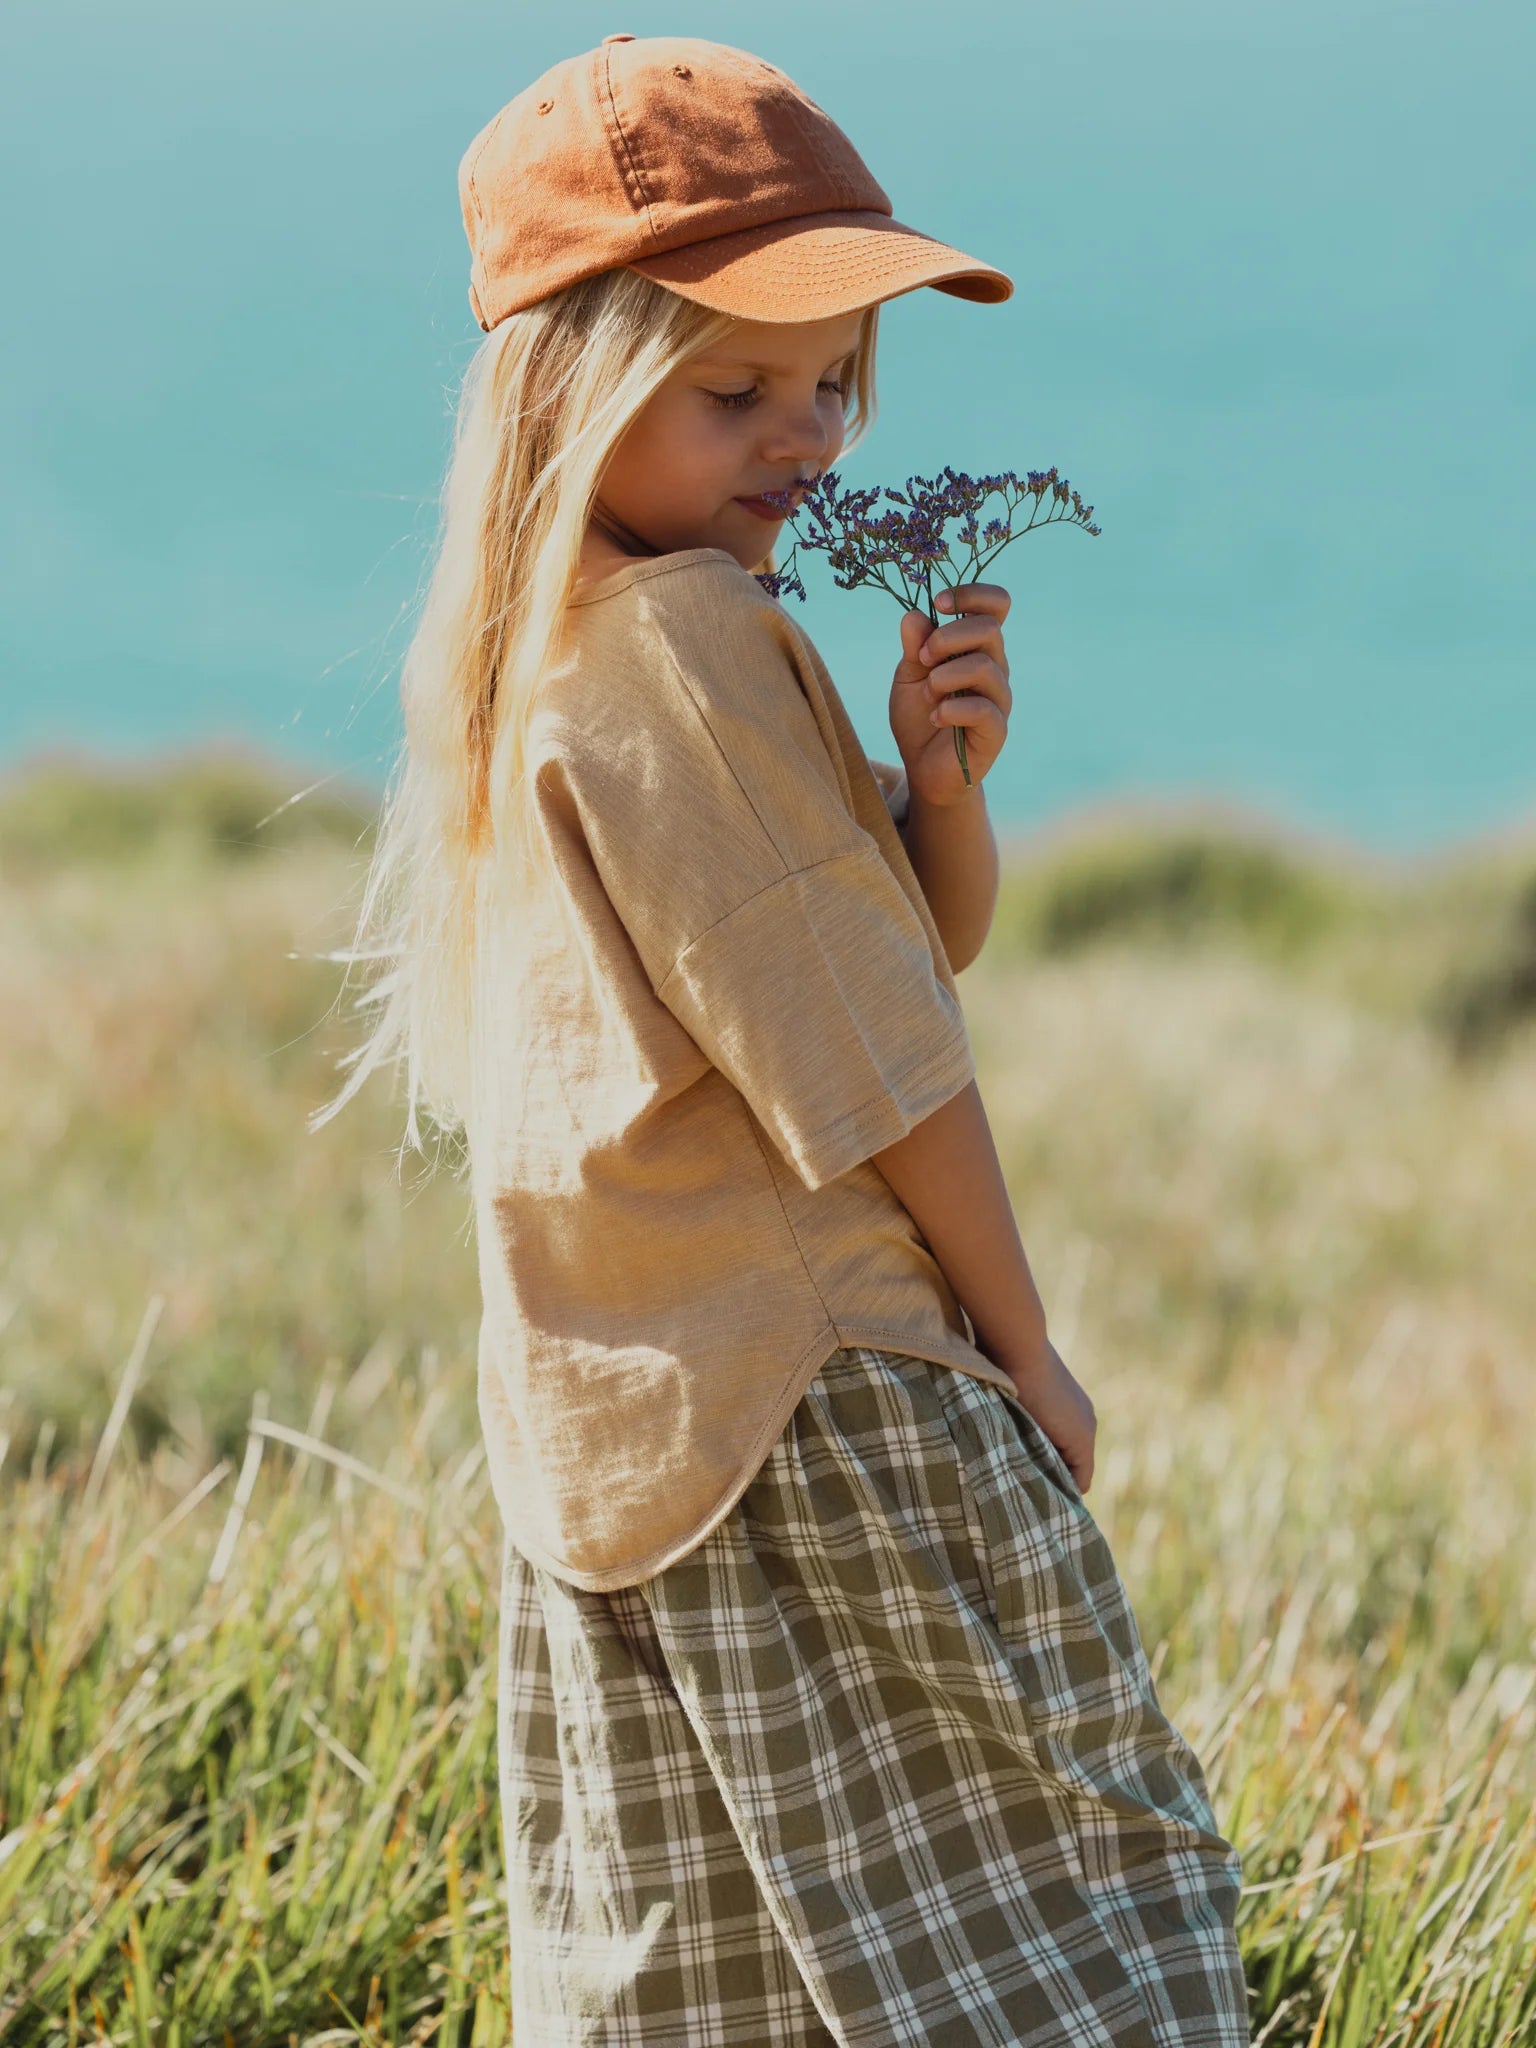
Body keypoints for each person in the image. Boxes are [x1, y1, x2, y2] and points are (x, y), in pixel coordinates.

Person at [322, 32, 1251, 2046]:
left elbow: (896, 945)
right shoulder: (691, 646)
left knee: (730, 1984)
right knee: (1085, 1929)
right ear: (567, 385)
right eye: (733, 385)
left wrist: (939, 790)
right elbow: (883, 1057)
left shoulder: (548, 656)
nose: (806, 436)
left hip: (628, 1454)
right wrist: (1025, 1348)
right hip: (829, 1402)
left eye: (834, 379)